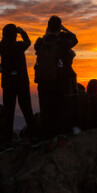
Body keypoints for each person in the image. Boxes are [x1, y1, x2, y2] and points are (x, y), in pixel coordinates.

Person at [33, 15, 78, 143]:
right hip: (59, 79)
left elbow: (36, 48)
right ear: (59, 27)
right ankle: (60, 134)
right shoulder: (62, 42)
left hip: (42, 80)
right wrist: (65, 30)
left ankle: (48, 136)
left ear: (48, 26)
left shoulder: (40, 42)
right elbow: (75, 40)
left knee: (46, 108)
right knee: (60, 106)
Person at [0, 23, 38, 148]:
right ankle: (34, 137)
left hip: (8, 82)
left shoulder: (1, 47)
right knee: (27, 109)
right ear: (15, 34)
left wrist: (8, 35)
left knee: (9, 111)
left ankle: (8, 140)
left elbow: (2, 43)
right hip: (22, 81)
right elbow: (28, 42)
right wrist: (22, 32)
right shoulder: (19, 46)